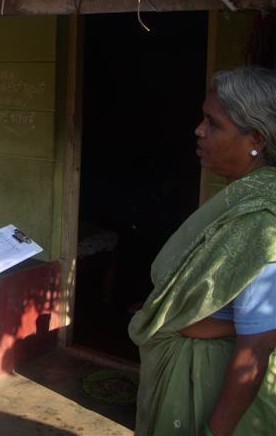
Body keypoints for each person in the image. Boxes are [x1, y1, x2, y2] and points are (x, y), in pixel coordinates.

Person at [129, 67, 276, 436]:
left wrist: (215, 432)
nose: (199, 129)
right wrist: (212, 324)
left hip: (211, 391)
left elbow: (255, 347)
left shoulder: (262, 220)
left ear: (255, 138)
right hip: (193, 373)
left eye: (213, 123)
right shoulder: (238, 200)